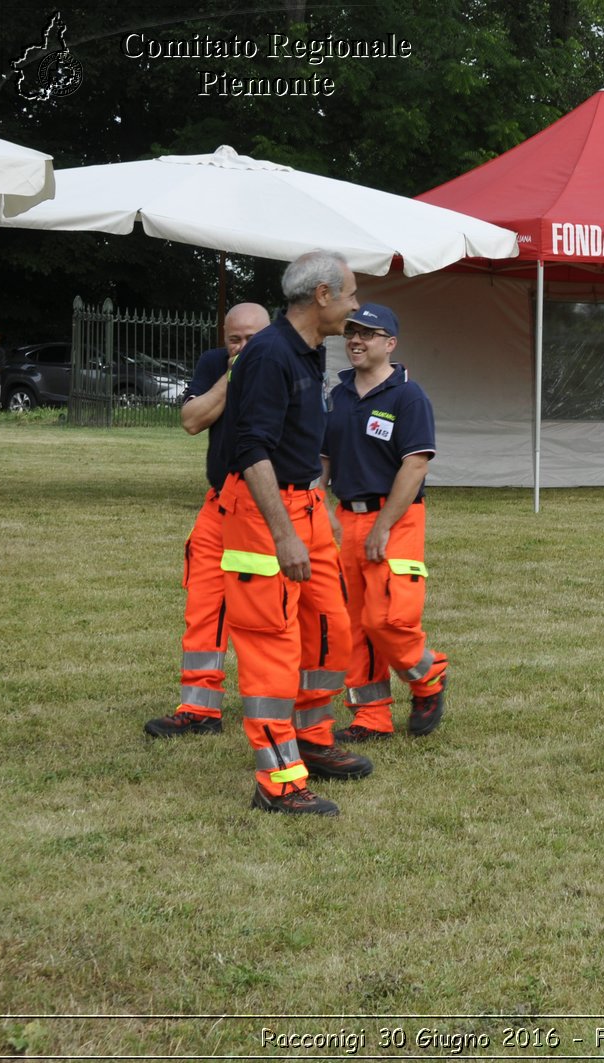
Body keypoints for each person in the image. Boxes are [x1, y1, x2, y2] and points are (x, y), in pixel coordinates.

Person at [220, 250, 369, 816]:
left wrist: (317, 504)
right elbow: (251, 448)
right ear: (323, 294)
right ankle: (278, 780)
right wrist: (284, 536)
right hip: (264, 515)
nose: (356, 306)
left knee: (329, 628)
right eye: (351, 294)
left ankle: (312, 737)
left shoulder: (307, 352)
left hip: (303, 503)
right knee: (271, 647)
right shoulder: (269, 354)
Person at [321, 303, 448, 741]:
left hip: (396, 519)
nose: (356, 340)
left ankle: (428, 678)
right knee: (352, 626)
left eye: (368, 334)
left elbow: (415, 466)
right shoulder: (335, 396)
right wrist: (321, 509)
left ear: (390, 344)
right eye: (351, 332)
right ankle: (370, 718)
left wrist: (383, 526)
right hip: (344, 519)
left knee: (387, 620)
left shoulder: (407, 395)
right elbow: (322, 459)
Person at [144, 302, 272, 738]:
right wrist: (231, 373)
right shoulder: (215, 364)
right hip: (218, 502)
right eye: (234, 339)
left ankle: (278, 708)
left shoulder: (286, 366)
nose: (241, 347)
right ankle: (199, 709)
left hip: (263, 509)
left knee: (264, 615)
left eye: (252, 340)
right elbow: (192, 421)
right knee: (203, 603)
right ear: (224, 337)